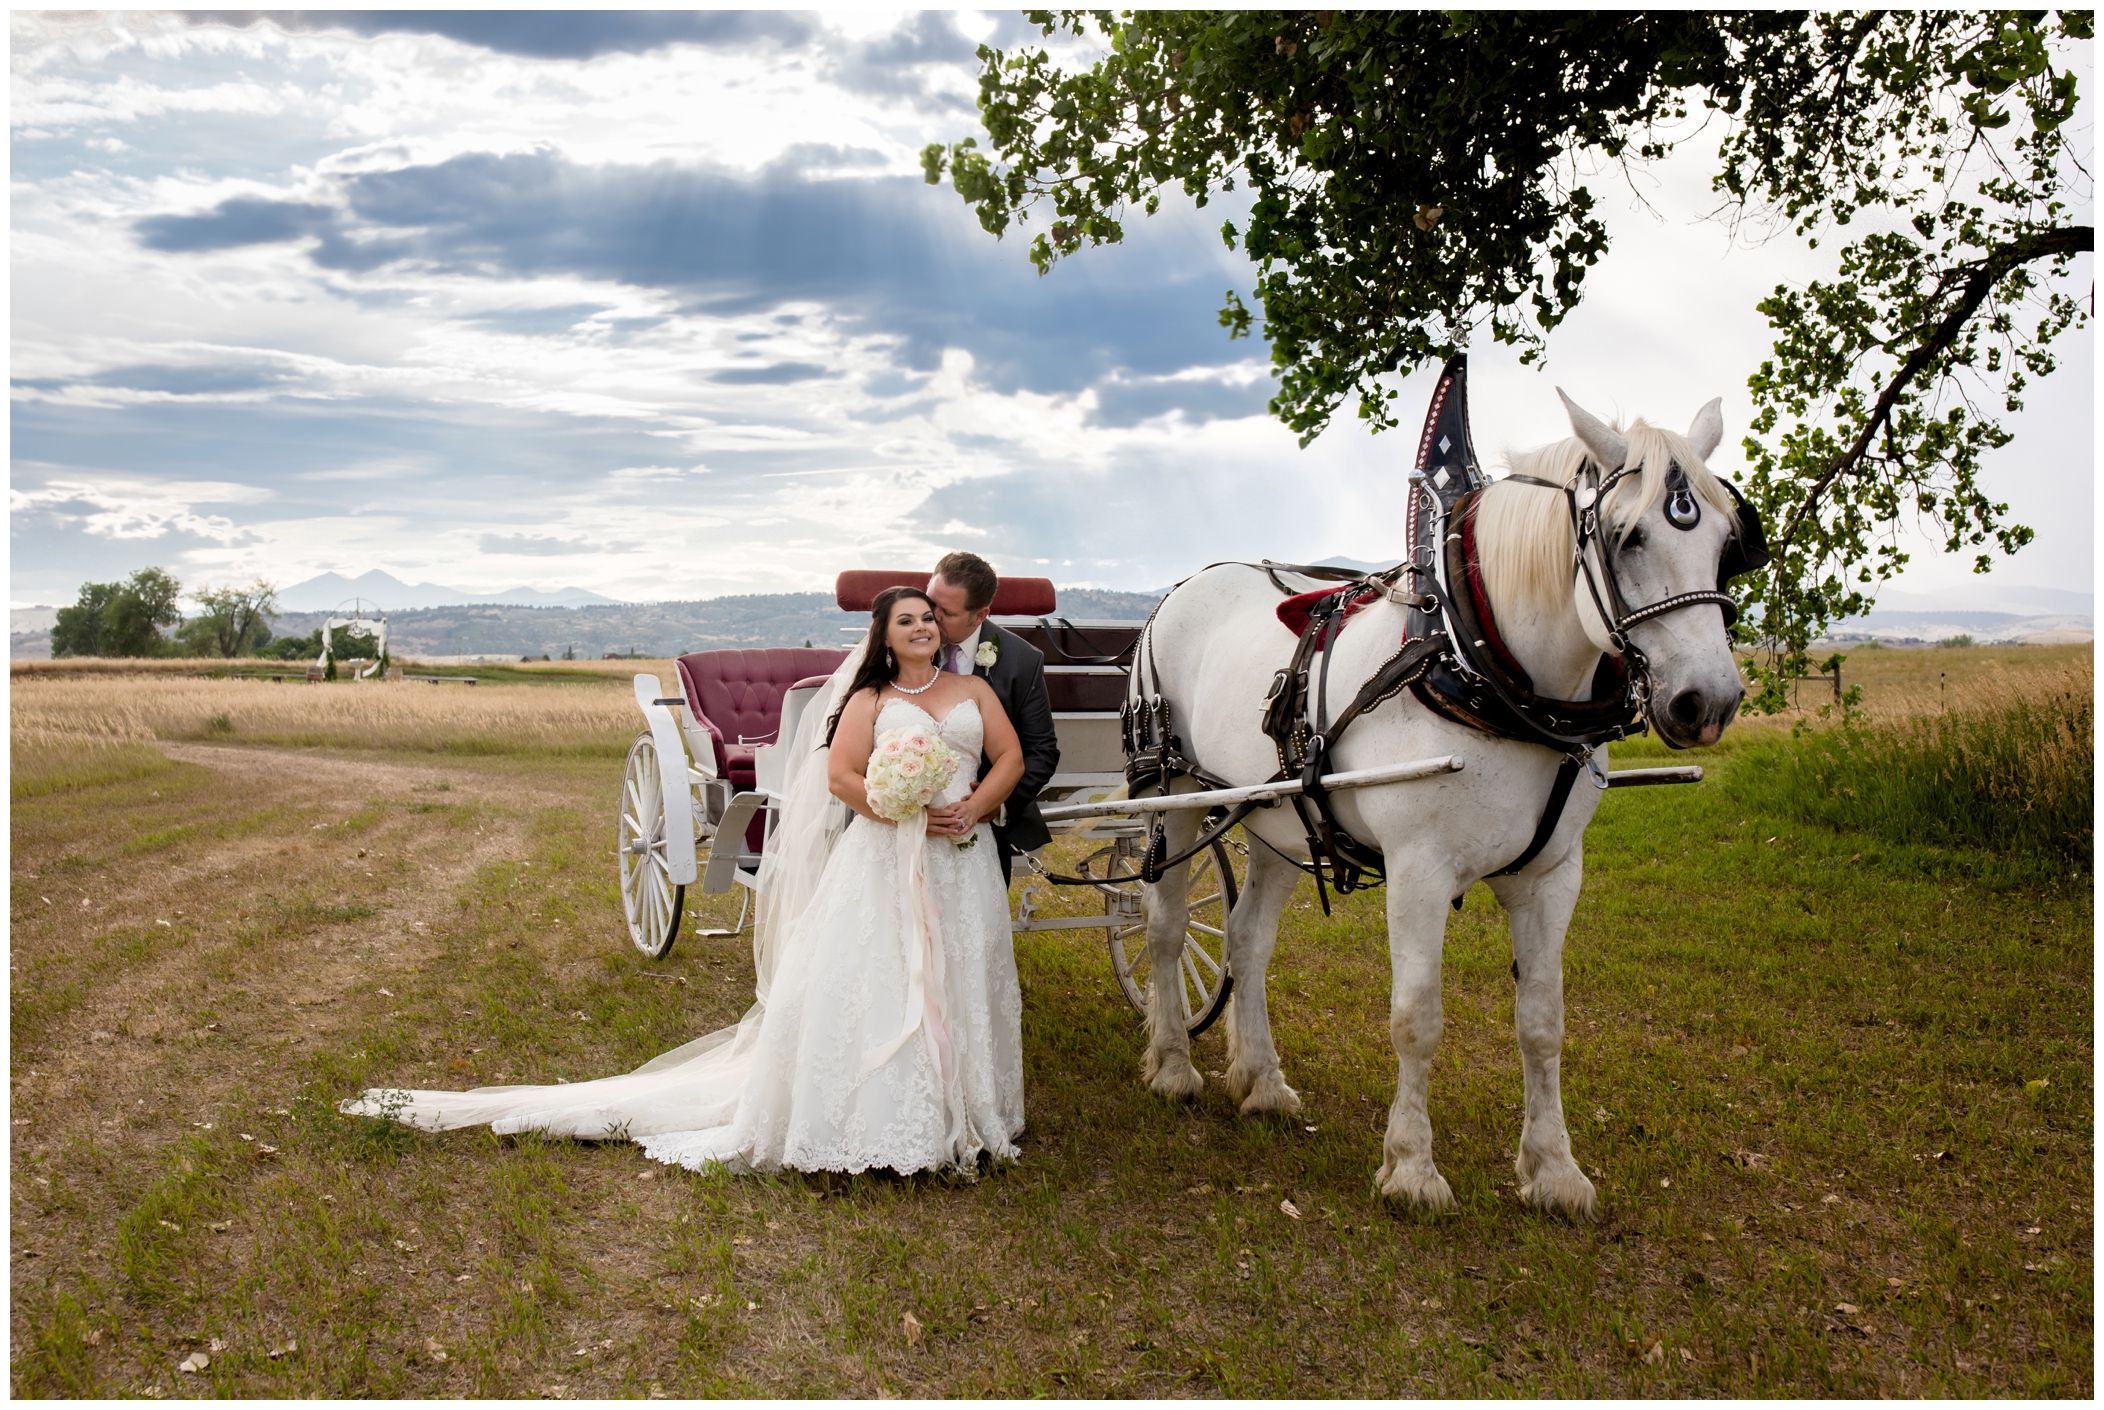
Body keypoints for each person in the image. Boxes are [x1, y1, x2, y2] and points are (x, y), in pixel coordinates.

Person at [343, 587, 1028, 1178]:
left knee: (962, 972)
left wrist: (975, 806)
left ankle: (967, 1108)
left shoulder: (972, 691)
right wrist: (899, 808)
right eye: (906, 620)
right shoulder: (870, 700)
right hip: (887, 855)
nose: (921, 628)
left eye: (928, 619)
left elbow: (1009, 757)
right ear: (882, 636)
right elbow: (842, 776)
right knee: (884, 977)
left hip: (963, 857)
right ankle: (883, 1119)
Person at [925, 552, 1060, 886]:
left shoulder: (1020, 662)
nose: (931, 618)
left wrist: (992, 803)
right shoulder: (903, 642)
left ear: (980, 614)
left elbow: (1041, 751)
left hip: (981, 821)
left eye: (948, 613)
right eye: (931, 603)